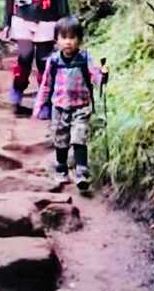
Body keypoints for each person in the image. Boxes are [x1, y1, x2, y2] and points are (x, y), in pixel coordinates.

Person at [32, 15, 107, 190]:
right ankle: (61, 169)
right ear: (56, 40)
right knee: (61, 139)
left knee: (79, 136)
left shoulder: (84, 58)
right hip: (59, 107)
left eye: (72, 38)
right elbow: (46, 84)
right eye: (64, 37)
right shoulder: (54, 61)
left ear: (79, 40)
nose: (68, 42)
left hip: (81, 106)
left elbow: (95, 77)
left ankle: (82, 171)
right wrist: (39, 105)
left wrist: (103, 76)